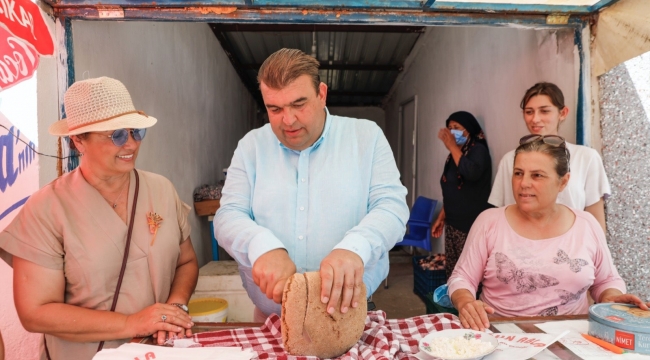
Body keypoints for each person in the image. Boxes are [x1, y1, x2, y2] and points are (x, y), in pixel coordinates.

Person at [0, 77, 199, 360]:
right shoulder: (47, 209)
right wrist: (131, 323)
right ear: (78, 140)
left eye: (136, 132)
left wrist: (176, 308)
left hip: (159, 352)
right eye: (117, 134)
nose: (131, 143)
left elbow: (187, 261)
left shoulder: (161, 189)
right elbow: (35, 312)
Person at [213, 48, 409, 321]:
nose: (288, 120)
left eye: (298, 104)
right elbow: (228, 215)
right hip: (273, 319)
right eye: (275, 109)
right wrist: (260, 245)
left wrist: (355, 248)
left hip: (347, 317)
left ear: (321, 94)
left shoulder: (366, 137)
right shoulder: (251, 147)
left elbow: (392, 209)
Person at [448, 135, 649, 331]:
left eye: (537, 175)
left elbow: (607, 280)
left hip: (572, 339)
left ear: (563, 182)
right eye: (518, 173)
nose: (524, 183)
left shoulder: (586, 225)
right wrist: (466, 302)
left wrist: (610, 298)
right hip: (502, 338)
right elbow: (462, 277)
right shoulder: (489, 222)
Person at [488, 82, 610, 232]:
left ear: (563, 113)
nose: (535, 119)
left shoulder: (586, 158)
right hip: (520, 247)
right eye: (529, 112)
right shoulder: (510, 160)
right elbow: (502, 216)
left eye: (544, 111)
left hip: (571, 249)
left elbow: (596, 222)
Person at [431, 111, 492, 279]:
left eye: (456, 128)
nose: (451, 132)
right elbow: (453, 188)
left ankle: (471, 304)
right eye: (449, 128)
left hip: (470, 225)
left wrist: (451, 146)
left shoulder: (478, 150)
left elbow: (470, 173)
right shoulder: (455, 155)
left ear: (469, 130)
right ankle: (456, 303)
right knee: (454, 271)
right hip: (453, 222)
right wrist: (442, 216)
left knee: (469, 273)